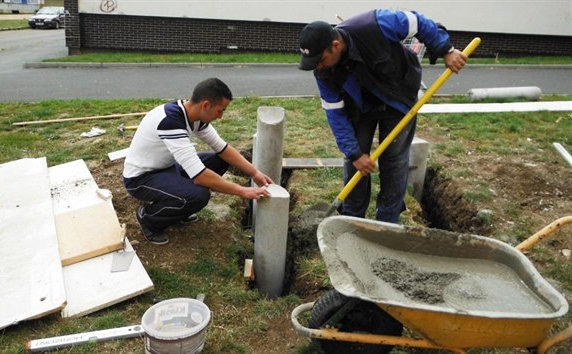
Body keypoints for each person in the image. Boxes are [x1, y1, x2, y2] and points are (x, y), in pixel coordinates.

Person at [298, 9, 467, 223]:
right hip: (360, 106)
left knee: (394, 159)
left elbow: (417, 22)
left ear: (335, 46)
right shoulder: (323, 71)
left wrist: (446, 49)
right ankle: (352, 218)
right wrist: (355, 153)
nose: (318, 66)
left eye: (320, 59)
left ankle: (388, 219)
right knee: (355, 160)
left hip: (398, 95)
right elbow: (335, 114)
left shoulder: (374, 24)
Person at [123, 78, 273, 244]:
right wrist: (243, 191)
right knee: (199, 195)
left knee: (220, 160)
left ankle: (180, 204)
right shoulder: (171, 122)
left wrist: (255, 173)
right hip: (141, 178)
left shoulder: (194, 116)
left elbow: (223, 149)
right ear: (206, 105)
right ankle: (149, 218)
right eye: (220, 110)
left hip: (167, 167)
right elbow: (199, 176)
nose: (221, 116)